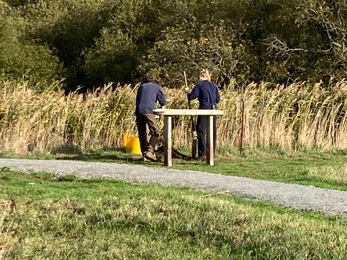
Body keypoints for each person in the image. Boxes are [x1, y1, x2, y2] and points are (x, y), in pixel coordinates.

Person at [186, 69, 220, 160]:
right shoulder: (214, 86)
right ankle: (212, 152)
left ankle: (203, 153)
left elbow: (192, 96)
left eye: (199, 77)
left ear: (201, 76)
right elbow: (217, 100)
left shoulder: (199, 85)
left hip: (204, 109)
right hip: (213, 109)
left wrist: (188, 93)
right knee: (212, 131)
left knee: (201, 131)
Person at [135, 78, 167, 161]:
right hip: (148, 110)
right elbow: (163, 103)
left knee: (142, 133)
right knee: (156, 131)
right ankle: (150, 151)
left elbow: (137, 100)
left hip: (139, 111)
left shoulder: (141, 86)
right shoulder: (157, 87)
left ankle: (144, 154)